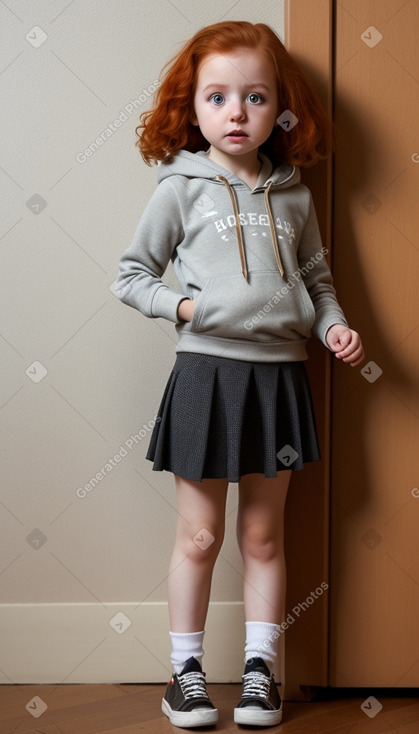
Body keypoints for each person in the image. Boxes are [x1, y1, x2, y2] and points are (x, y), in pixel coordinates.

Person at [115, 20, 364, 729]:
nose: (236, 112)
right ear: (190, 108)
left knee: (263, 537)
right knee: (199, 537)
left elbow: (317, 283)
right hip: (204, 378)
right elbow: (131, 278)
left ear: (280, 108)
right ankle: (184, 677)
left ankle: (260, 674)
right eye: (217, 96)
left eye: (255, 97)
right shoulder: (179, 189)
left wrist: (334, 326)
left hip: (278, 383)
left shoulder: (294, 195)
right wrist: (188, 304)